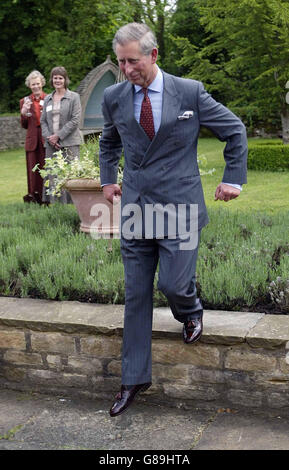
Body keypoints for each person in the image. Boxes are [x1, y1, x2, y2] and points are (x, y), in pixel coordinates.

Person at [99, 23, 247, 417]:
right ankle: (133, 379)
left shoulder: (189, 92)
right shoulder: (114, 97)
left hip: (179, 206)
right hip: (136, 206)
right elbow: (108, 141)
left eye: (133, 60)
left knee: (174, 285)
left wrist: (233, 179)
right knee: (136, 295)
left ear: (154, 55)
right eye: (121, 62)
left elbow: (235, 130)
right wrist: (107, 180)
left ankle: (191, 308)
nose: (127, 69)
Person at [40, 66, 82, 203]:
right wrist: (50, 138)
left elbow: (75, 119)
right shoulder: (47, 99)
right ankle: (55, 204)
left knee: (70, 173)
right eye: (55, 78)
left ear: (65, 80)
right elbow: (43, 121)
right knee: (52, 174)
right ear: (52, 80)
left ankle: (72, 204)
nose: (57, 80)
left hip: (70, 142)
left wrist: (58, 136)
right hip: (51, 144)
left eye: (60, 78)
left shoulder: (74, 97)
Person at [20, 70, 47, 204]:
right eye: (32, 84)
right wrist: (23, 112)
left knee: (46, 169)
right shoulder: (24, 101)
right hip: (32, 141)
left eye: (37, 83)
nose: (35, 86)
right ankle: (33, 197)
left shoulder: (49, 98)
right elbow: (24, 124)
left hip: (45, 140)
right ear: (29, 86)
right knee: (32, 171)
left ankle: (47, 198)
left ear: (42, 83)